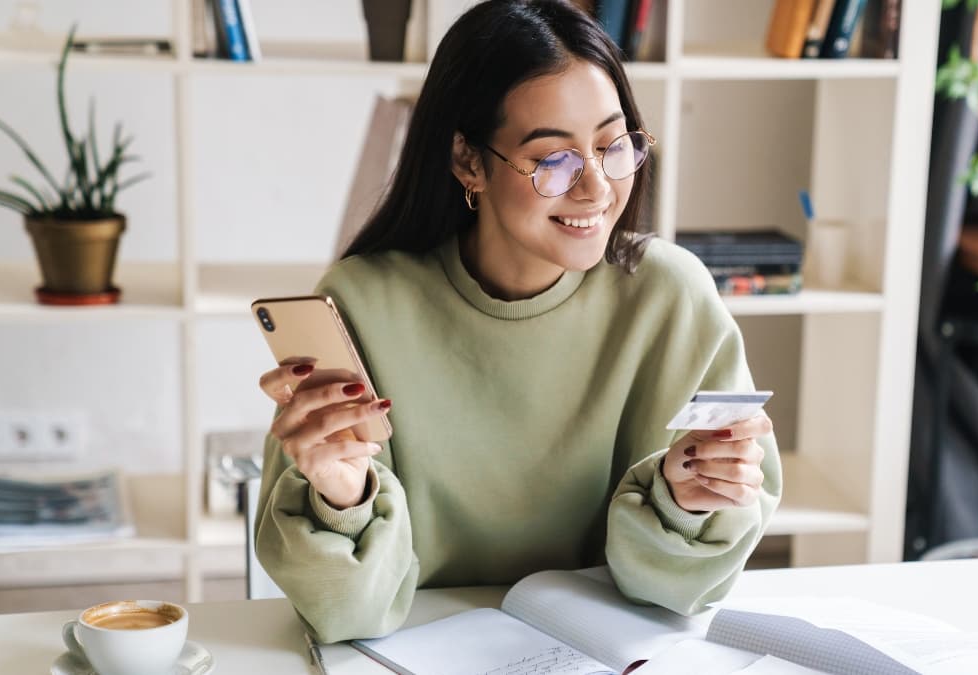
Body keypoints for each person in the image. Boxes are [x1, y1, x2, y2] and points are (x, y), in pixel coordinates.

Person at [254, 0, 781, 643]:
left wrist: (689, 502)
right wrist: (341, 496)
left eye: (614, 146)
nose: (596, 188)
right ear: (468, 161)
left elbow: (675, 597)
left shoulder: (671, 298)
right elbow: (347, 615)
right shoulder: (363, 302)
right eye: (553, 159)